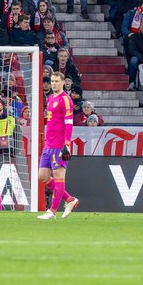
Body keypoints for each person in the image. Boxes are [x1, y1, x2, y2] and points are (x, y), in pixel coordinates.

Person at [37, 71, 80, 220]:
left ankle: (52, 211)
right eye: (52, 81)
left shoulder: (65, 99)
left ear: (62, 82)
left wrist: (67, 144)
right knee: (42, 176)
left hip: (60, 145)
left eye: (56, 81)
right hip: (48, 145)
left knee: (59, 177)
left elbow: (69, 122)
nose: (54, 84)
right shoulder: (50, 99)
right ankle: (69, 199)